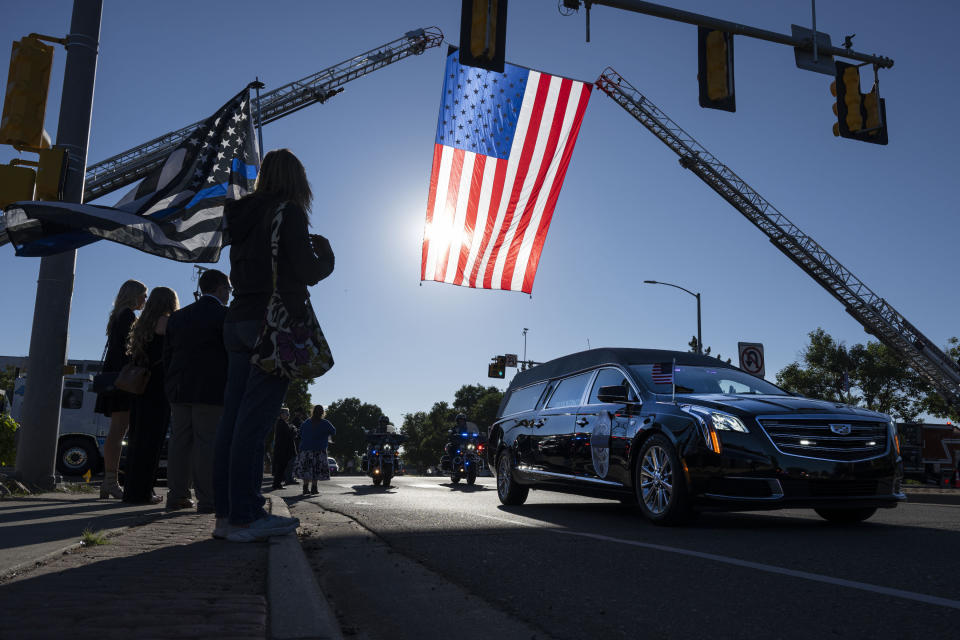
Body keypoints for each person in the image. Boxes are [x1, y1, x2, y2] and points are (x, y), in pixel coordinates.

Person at [213, 148, 334, 542]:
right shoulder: (289, 212)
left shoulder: (241, 215)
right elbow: (307, 272)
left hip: (238, 318)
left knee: (232, 423)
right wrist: (326, 254)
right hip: (273, 325)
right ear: (297, 180)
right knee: (256, 423)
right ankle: (247, 516)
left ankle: (227, 515)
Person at [162, 269, 231, 511]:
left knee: (179, 442)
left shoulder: (178, 317)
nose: (229, 294)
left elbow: (167, 354)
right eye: (228, 290)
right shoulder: (224, 315)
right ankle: (207, 498)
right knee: (206, 443)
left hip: (179, 388)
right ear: (221, 288)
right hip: (210, 389)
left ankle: (177, 495)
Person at [122, 287, 179, 505]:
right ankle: (144, 492)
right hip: (157, 387)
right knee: (152, 442)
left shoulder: (142, 323)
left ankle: (132, 491)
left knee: (137, 439)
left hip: (140, 387)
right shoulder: (165, 322)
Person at [94, 280, 147, 499]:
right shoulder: (128, 317)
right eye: (143, 295)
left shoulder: (117, 315)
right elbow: (129, 351)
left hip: (114, 379)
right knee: (118, 431)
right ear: (134, 295)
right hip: (123, 382)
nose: (145, 299)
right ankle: (110, 481)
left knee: (116, 430)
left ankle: (109, 481)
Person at [295, 405, 336, 495]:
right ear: (322, 413)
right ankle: (314, 488)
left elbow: (300, 433)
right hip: (319, 449)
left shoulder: (306, 422)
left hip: (306, 449)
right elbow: (333, 431)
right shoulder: (325, 423)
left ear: (312, 412)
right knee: (316, 469)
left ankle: (305, 488)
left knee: (307, 469)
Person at [271, 407, 298, 490]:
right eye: (287, 413)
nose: (288, 415)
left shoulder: (282, 423)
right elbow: (290, 434)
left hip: (282, 449)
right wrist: (294, 429)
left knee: (281, 468)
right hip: (282, 450)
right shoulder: (281, 423)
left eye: (288, 414)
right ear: (281, 414)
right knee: (281, 468)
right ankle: (277, 484)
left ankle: (277, 484)